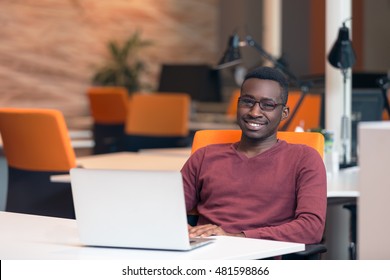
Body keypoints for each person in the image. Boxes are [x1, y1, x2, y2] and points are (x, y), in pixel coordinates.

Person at [181, 66, 327, 244]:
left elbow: (311, 229)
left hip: (264, 257)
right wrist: (183, 230)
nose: (255, 112)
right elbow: (165, 209)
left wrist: (235, 238)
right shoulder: (205, 156)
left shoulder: (304, 158)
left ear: (284, 113)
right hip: (205, 254)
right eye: (248, 102)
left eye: (268, 105)